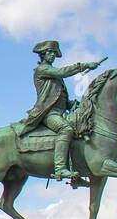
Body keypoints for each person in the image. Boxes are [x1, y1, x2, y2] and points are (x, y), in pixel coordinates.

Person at [20, 40, 105, 181]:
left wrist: (72, 104)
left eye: (54, 53)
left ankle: (76, 169)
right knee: (65, 129)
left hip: (60, 112)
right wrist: (84, 65)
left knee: (80, 127)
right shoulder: (43, 70)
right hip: (48, 113)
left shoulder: (53, 75)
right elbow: (62, 72)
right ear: (43, 55)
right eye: (49, 52)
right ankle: (60, 168)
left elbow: (57, 97)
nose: (52, 55)